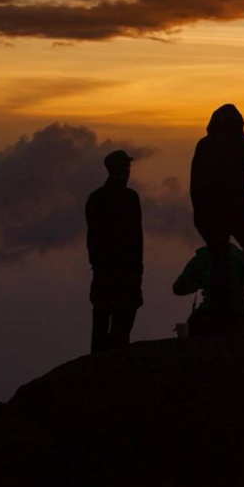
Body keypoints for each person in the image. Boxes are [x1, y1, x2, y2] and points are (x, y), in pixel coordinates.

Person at [190, 104, 244, 319]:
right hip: (236, 213)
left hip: (212, 215)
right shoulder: (235, 144)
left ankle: (219, 310)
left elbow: (195, 188)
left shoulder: (205, 145)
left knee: (220, 262)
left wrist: (200, 217)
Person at [85, 149, 142, 352]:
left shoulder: (95, 198)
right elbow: (136, 240)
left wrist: (97, 264)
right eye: (128, 167)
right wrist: (137, 274)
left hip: (102, 271)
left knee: (100, 321)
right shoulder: (130, 198)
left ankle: (97, 369)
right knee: (122, 326)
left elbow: (91, 238)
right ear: (125, 169)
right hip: (125, 272)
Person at [173, 243, 244, 326]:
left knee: (192, 324)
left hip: (211, 310)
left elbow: (178, 288)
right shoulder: (239, 255)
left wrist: (196, 285)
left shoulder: (201, 257)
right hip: (239, 310)